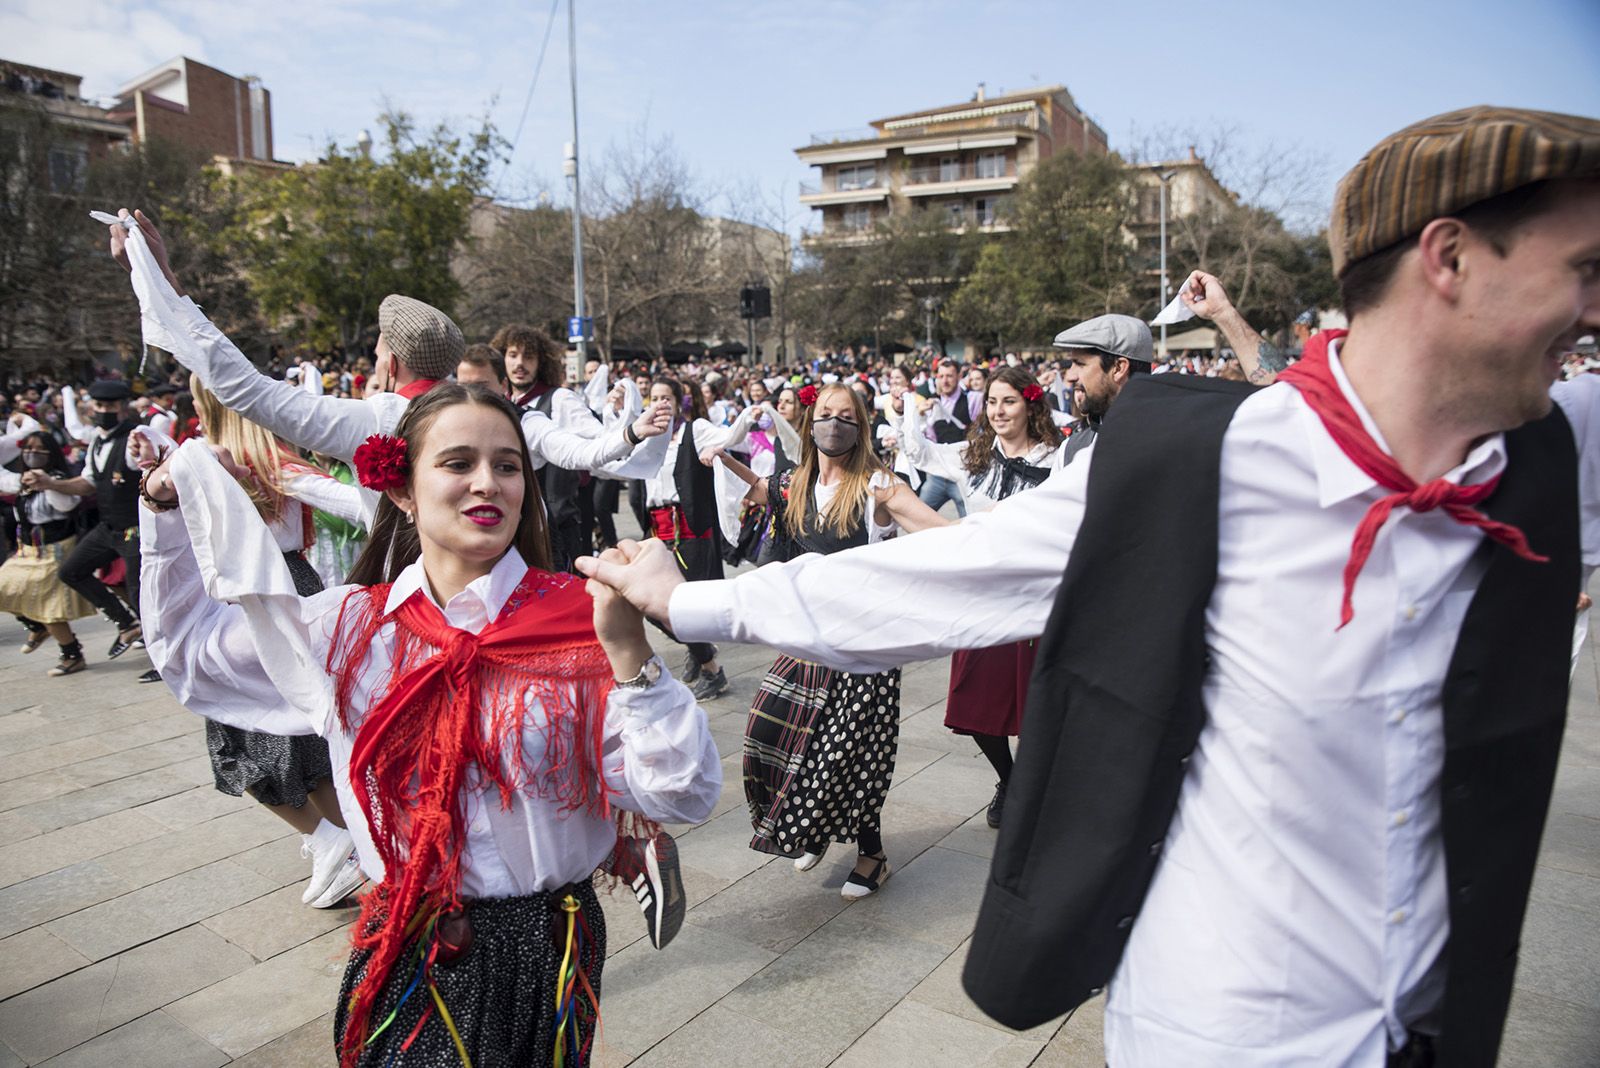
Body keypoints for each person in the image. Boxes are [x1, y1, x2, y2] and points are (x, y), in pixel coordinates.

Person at [580, 106, 1600, 1068]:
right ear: (1450, 258)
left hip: (1429, 1026)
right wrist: (692, 603)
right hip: (1219, 1031)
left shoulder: (1550, 452)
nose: (1594, 309)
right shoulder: (1195, 460)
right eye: (1584, 269)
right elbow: (942, 576)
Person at [139, 382, 721, 1067]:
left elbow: (682, 793)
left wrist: (630, 653)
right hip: (408, 939)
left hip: (548, 946)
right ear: (403, 491)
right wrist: (164, 512)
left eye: (508, 465)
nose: (489, 483)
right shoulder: (352, 628)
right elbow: (189, 657)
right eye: (458, 463)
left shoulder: (582, 620)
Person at [107, 212, 672, 497]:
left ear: (389, 360)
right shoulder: (499, 414)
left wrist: (160, 281)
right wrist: (627, 436)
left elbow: (245, 390)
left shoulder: (376, 420)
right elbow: (575, 449)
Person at [708, 382, 939, 897]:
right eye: (826, 414)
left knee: (851, 751)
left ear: (861, 426)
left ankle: (872, 855)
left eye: (846, 416)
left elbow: (937, 532)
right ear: (812, 423)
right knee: (768, 731)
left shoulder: (879, 484)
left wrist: (987, 535)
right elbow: (764, 491)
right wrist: (727, 463)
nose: (834, 424)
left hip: (863, 641)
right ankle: (811, 826)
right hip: (808, 636)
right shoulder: (797, 480)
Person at [177, 379, 370, 909]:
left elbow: (348, 500)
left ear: (210, 403)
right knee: (302, 739)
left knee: (251, 740)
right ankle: (339, 847)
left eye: (197, 396)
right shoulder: (253, 459)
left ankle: (334, 842)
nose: (192, 405)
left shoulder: (246, 461)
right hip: (282, 590)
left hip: (256, 598)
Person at [890, 366, 1064, 825]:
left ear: (1030, 404)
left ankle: (1028, 782)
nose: (999, 410)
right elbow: (919, 452)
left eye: (1008, 401)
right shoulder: (972, 455)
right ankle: (1008, 778)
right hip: (981, 594)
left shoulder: (1057, 457)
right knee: (976, 697)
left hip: (1033, 594)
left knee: (1034, 700)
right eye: (991, 402)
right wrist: (910, 404)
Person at [36, 379, 152, 678]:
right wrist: (50, 483)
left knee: (143, 595)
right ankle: (125, 623)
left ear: (122, 408)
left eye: (110, 406)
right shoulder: (96, 443)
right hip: (109, 527)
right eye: (99, 406)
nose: (104, 411)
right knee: (70, 570)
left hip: (137, 528)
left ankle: (164, 660)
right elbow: (87, 483)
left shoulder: (133, 439)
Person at [0, 427, 96, 676]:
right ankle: (35, 625)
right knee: (5, 588)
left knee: (48, 608)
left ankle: (71, 654)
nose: (33, 453)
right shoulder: (20, 480)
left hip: (56, 550)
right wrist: (25, 480)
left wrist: (48, 483)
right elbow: (4, 480)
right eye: (28, 449)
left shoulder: (61, 480)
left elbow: (65, 506)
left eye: (40, 449)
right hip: (28, 551)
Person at [1054, 314, 1155, 467]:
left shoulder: (1173, 443)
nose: (1071, 376)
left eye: (1080, 364)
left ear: (1119, 368)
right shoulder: (1070, 450)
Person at [914, 359, 983, 516]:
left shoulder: (973, 399)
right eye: (941, 376)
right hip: (937, 474)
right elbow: (928, 438)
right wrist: (920, 415)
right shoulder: (931, 403)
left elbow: (982, 431)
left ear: (959, 376)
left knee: (970, 520)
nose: (945, 380)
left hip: (964, 473)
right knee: (920, 515)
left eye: (949, 376)